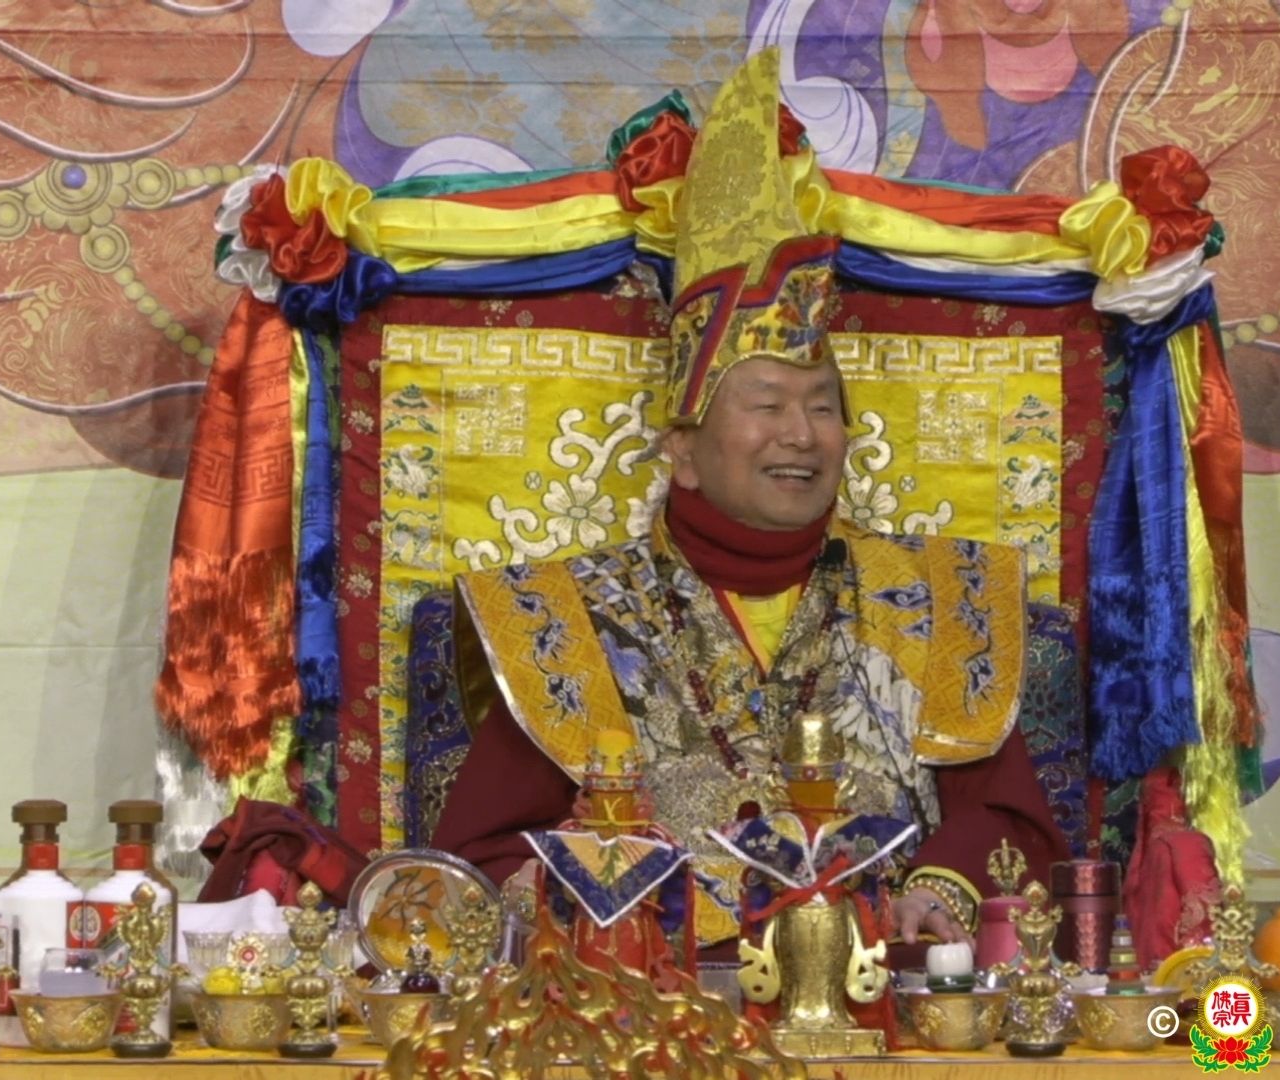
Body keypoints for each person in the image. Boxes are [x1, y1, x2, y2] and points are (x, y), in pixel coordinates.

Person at [431, 49, 1068, 959]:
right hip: (662, 1000)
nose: (801, 435)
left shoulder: (935, 595)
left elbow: (1007, 819)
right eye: (766, 405)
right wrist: (597, 906)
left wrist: (942, 889)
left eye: (822, 407)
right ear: (682, 451)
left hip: (881, 985)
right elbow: (479, 859)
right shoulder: (566, 617)